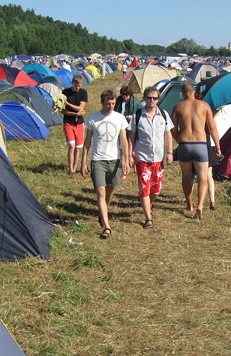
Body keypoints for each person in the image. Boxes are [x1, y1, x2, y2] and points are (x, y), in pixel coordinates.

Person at [81, 89, 130, 239]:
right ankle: (107, 227)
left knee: (109, 192)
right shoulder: (92, 119)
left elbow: (124, 141)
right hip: (98, 160)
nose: (110, 107)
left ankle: (103, 214)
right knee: (100, 193)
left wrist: (126, 160)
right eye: (108, 104)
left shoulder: (120, 118)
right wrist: (83, 161)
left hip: (114, 160)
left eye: (113, 104)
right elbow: (87, 141)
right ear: (102, 102)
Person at [172, 83, 221, 220]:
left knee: (186, 176)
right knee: (203, 177)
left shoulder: (178, 107)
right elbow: (212, 129)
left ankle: (190, 204)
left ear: (182, 94)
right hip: (201, 144)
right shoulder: (204, 106)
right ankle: (200, 205)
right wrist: (217, 146)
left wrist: (180, 141)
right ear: (194, 92)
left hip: (185, 144)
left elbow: (172, 130)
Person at [127, 86, 174, 229]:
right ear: (144, 98)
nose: (151, 100)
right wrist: (130, 154)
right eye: (149, 98)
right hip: (142, 157)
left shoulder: (164, 115)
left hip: (158, 158)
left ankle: (149, 205)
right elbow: (131, 136)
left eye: (154, 98)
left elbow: (168, 134)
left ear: (158, 99)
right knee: (144, 188)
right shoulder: (137, 115)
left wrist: (170, 152)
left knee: (156, 189)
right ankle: (148, 218)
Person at [62, 74, 88, 175]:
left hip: (79, 123)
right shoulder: (65, 92)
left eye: (80, 85)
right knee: (72, 146)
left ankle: (75, 166)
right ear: (72, 83)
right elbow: (63, 110)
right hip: (68, 122)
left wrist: (68, 104)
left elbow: (81, 108)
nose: (78, 87)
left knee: (78, 147)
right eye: (76, 85)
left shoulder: (83, 93)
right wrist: (74, 113)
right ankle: (71, 169)